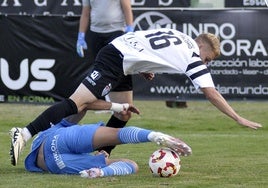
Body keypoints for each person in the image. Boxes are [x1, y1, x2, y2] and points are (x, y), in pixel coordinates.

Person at [10, 28, 262, 166]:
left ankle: (102, 155)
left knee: (124, 111)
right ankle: (25, 133)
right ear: (203, 48)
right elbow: (211, 92)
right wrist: (237, 117)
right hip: (115, 59)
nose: (205, 64)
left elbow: (144, 41)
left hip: (123, 60)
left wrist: (141, 67)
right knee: (78, 103)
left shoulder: (178, 35)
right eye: (208, 60)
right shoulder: (193, 55)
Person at [24, 116, 192, 178]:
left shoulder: (45, 131)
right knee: (118, 136)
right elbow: (80, 106)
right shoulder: (61, 122)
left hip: (53, 158)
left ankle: (100, 171)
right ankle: (153, 135)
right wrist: (116, 107)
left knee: (120, 147)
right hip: (64, 138)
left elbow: (78, 106)